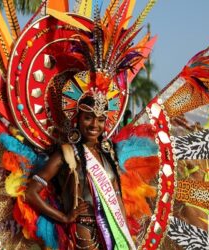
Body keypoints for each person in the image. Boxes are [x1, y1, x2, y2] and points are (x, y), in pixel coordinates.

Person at [25, 93, 133, 249]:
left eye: (101, 120)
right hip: (83, 232)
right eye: (88, 118)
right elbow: (31, 193)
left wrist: (126, 237)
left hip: (114, 232)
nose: (94, 125)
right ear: (77, 119)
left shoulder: (109, 155)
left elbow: (117, 199)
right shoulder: (66, 153)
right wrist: (64, 217)